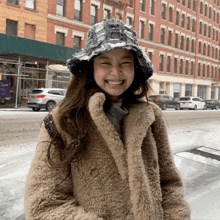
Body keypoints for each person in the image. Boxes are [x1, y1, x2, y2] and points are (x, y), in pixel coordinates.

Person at [24, 18, 190, 220]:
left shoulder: (151, 116)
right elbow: (43, 205)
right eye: (105, 63)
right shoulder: (62, 120)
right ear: (90, 67)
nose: (116, 72)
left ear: (135, 68)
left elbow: (170, 185)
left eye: (125, 63)